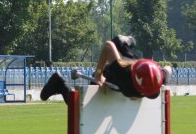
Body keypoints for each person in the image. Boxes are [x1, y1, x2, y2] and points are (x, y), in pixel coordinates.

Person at [40, 36, 171, 103]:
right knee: (81, 109)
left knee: (120, 44)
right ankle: (59, 82)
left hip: (128, 60)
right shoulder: (122, 73)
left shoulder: (158, 76)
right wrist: (98, 74)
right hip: (108, 75)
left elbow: (168, 68)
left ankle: (126, 41)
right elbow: (108, 46)